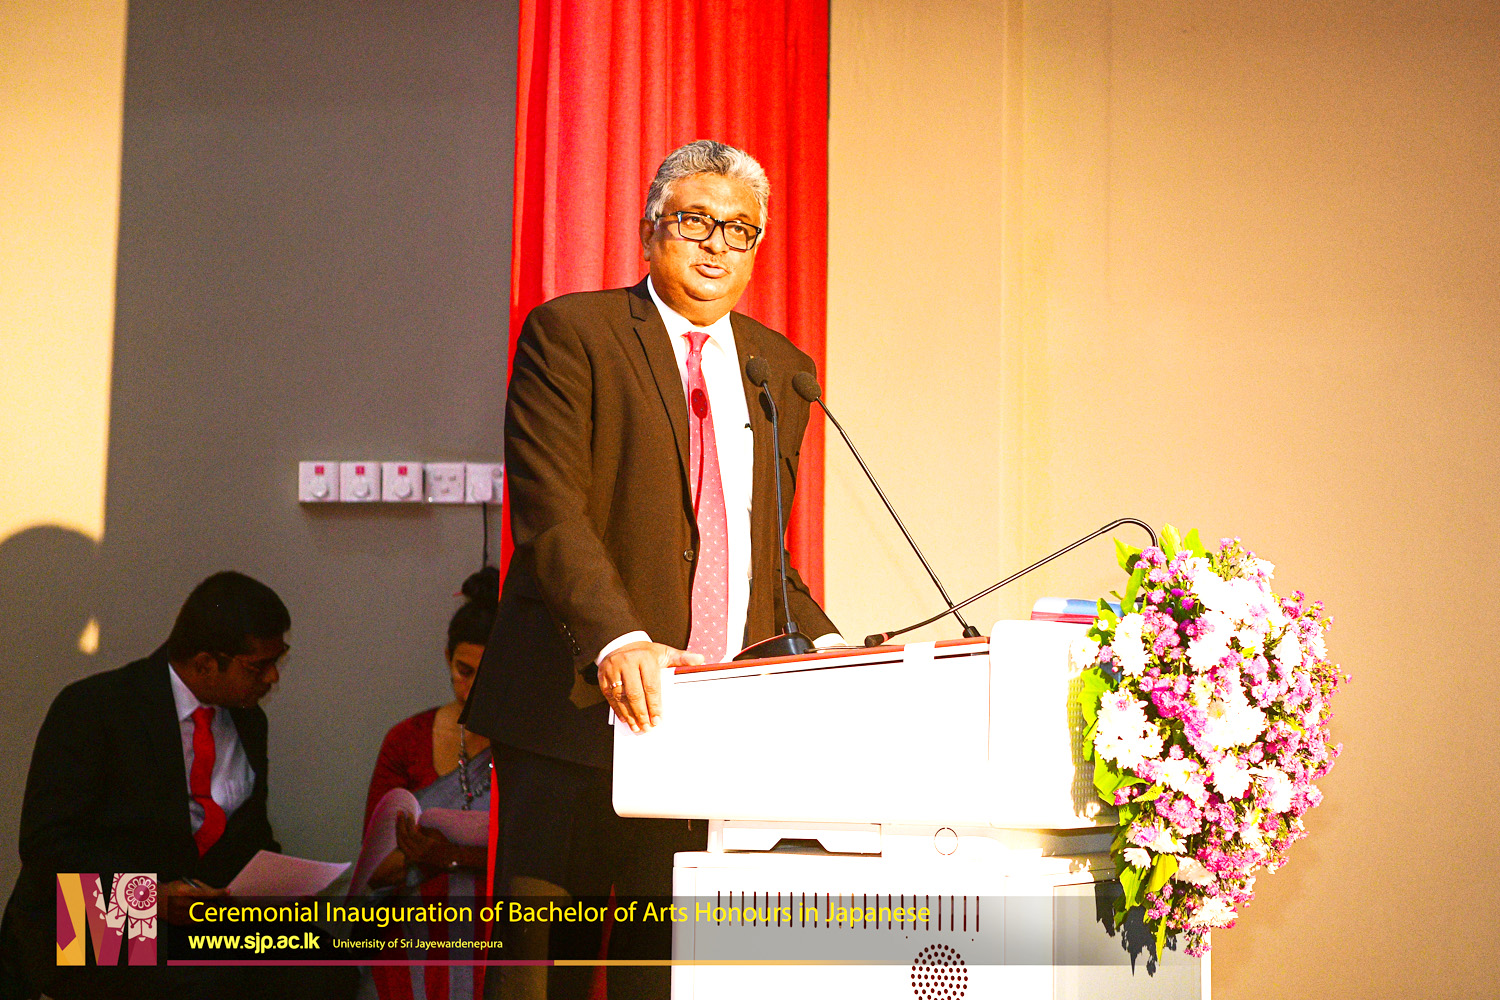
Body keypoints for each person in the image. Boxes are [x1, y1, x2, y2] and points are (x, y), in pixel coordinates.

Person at [462, 139, 842, 999]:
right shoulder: (575, 333)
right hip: (574, 711)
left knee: (665, 974)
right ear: (649, 230)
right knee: (539, 978)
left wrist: (830, 647)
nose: (716, 244)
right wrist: (618, 638)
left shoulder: (779, 368)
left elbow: (758, 552)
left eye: (739, 230)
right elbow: (551, 511)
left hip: (702, 731)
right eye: (695, 221)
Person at [0, 571, 352, 1000]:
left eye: (279, 660)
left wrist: (277, 889)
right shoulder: (95, 707)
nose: (273, 677)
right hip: (96, 909)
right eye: (258, 666)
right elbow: (47, 844)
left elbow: (247, 838)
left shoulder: (247, 720)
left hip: (197, 915)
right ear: (205, 663)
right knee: (200, 986)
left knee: (325, 967)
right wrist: (151, 897)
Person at [357, 568, 498, 1000]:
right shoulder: (407, 740)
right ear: (447, 657)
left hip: (497, 939)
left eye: (487, 676)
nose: (471, 690)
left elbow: (535, 860)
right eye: (463, 671)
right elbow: (374, 869)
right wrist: (433, 857)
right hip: (413, 936)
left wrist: (451, 855)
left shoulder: (528, 750)